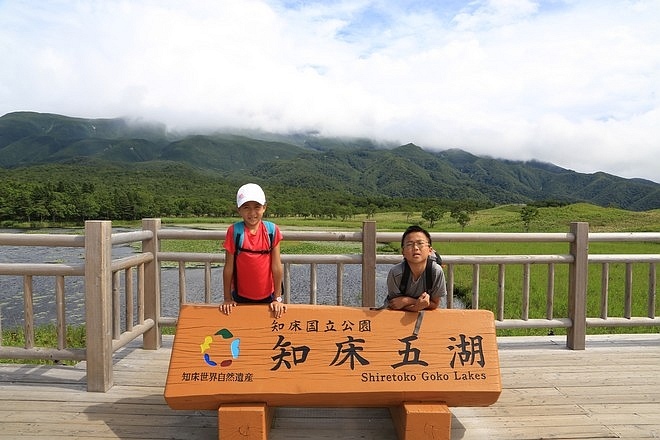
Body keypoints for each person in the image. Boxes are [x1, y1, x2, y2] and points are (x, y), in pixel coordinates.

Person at [219, 183, 286, 318]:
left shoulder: (272, 231)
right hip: (239, 296)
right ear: (239, 210)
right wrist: (227, 298)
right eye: (246, 208)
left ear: (264, 208)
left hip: (268, 296)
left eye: (257, 207)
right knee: (242, 335)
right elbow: (228, 268)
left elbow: (277, 266)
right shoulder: (234, 231)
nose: (252, 213)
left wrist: (277, 298)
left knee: (266, 336)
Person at [385, 225, 447, 311]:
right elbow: (395, 304)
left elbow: (435, 304)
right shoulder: (396, 273)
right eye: (410, 244)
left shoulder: (436, 271)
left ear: (430, 250)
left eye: (420, 243)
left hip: (426, 316)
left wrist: (408, 301)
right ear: (403, 252)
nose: (415, 248)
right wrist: (416, 306)